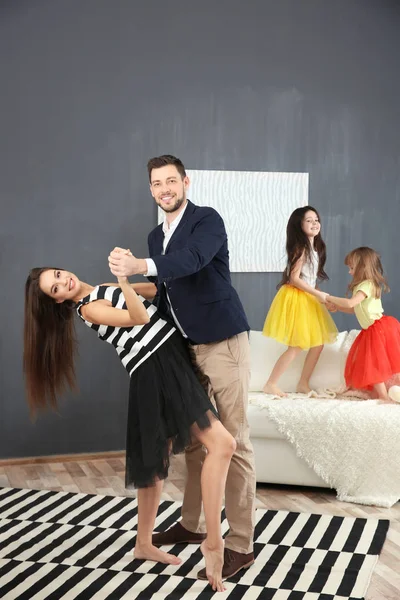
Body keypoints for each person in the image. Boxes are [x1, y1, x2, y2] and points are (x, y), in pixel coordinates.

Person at [23, 265, 237, 592]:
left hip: (168, 358)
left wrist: (148, 279)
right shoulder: (90, 307)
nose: (63, 280)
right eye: (55, 288)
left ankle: (143, 543)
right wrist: (124, 280)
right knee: (222, 444)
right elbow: (140, 318)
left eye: (57, 274)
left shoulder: (101, 288)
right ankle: (213, 542)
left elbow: (153, 294)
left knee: (155, 458)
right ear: (58, 301)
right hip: (155, 368)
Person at [108, 154, 256, 581]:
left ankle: (241, 545)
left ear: (185, 182)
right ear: (151, 189)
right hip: (184, 348)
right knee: (195, 444)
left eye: (171, 181)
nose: (165, 189)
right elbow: (164, 287)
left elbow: (191, 261)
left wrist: (139, 265)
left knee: (236, 442)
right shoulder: (156, 236)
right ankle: (192, 525)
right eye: (157, 183)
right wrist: (119, 285)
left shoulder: (207, 221)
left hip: (224, 342)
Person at [262, 206, 338, 397]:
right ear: (299, 225)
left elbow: (309, 280)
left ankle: (303, 383)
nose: (315, 223)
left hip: (307, 297)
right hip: (297, 298)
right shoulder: (300, 248)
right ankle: (270, 383)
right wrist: (318, 295)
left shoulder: (315, 249)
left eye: (316, 219)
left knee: (318, 343)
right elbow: (294, 278)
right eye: (309, 220)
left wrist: (323, 298)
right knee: (297, 345)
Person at [325, 247, 400, 401]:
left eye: (352, 268)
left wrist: (329, 297)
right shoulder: (363, 286)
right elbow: (355, 309)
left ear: (362, 267)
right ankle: (384, 395)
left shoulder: (367, 284)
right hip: (374, 329)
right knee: (375, 364)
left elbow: (350, 303)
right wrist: (337, 308)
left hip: (378, 329)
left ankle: (384, 395)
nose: (349, 272)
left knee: (376, 364)